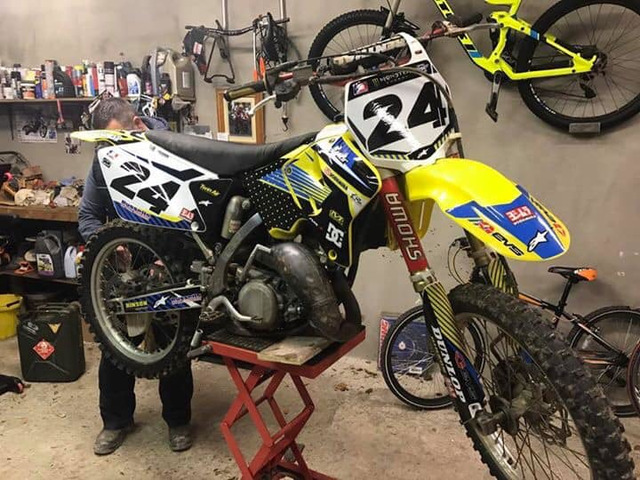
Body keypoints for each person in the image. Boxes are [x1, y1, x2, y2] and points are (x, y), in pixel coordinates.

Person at [78, 97, 193, 456]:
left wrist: (169, 256)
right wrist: (109, 245)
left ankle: (178, 420)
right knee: (116, 347)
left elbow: (194, 215)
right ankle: (116, 421)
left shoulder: (171, 151)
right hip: (123, 264)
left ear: (138, 125)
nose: (110, 149)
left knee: (173, 346)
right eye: (104, 142)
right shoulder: (102, 161)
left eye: (117, 139)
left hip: (168, 261)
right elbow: (87, 216)